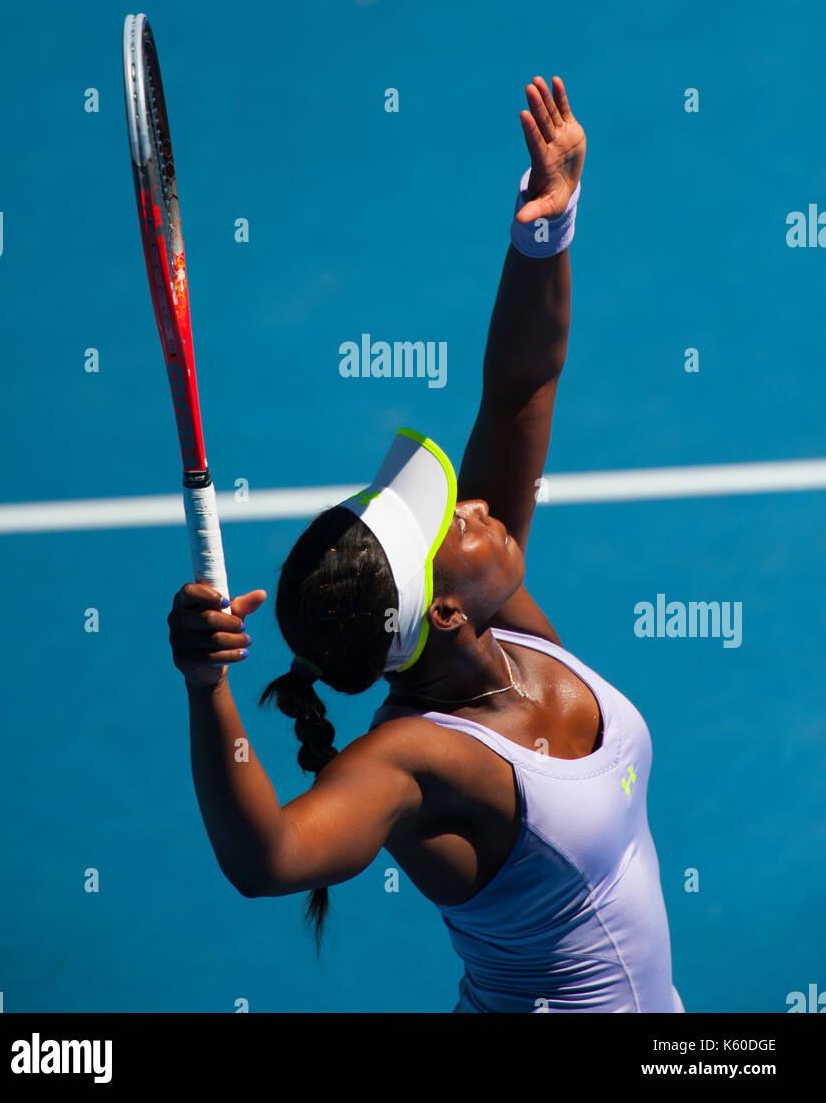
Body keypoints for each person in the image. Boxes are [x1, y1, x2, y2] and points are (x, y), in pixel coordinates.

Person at [168, 75, 684, 1013]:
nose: (474, 509)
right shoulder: (417, 757)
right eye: (449, 521)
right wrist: (210, 695)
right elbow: (269, 858)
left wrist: (546, 223)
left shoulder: (492, 625)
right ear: (440, 609)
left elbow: (522, 381)